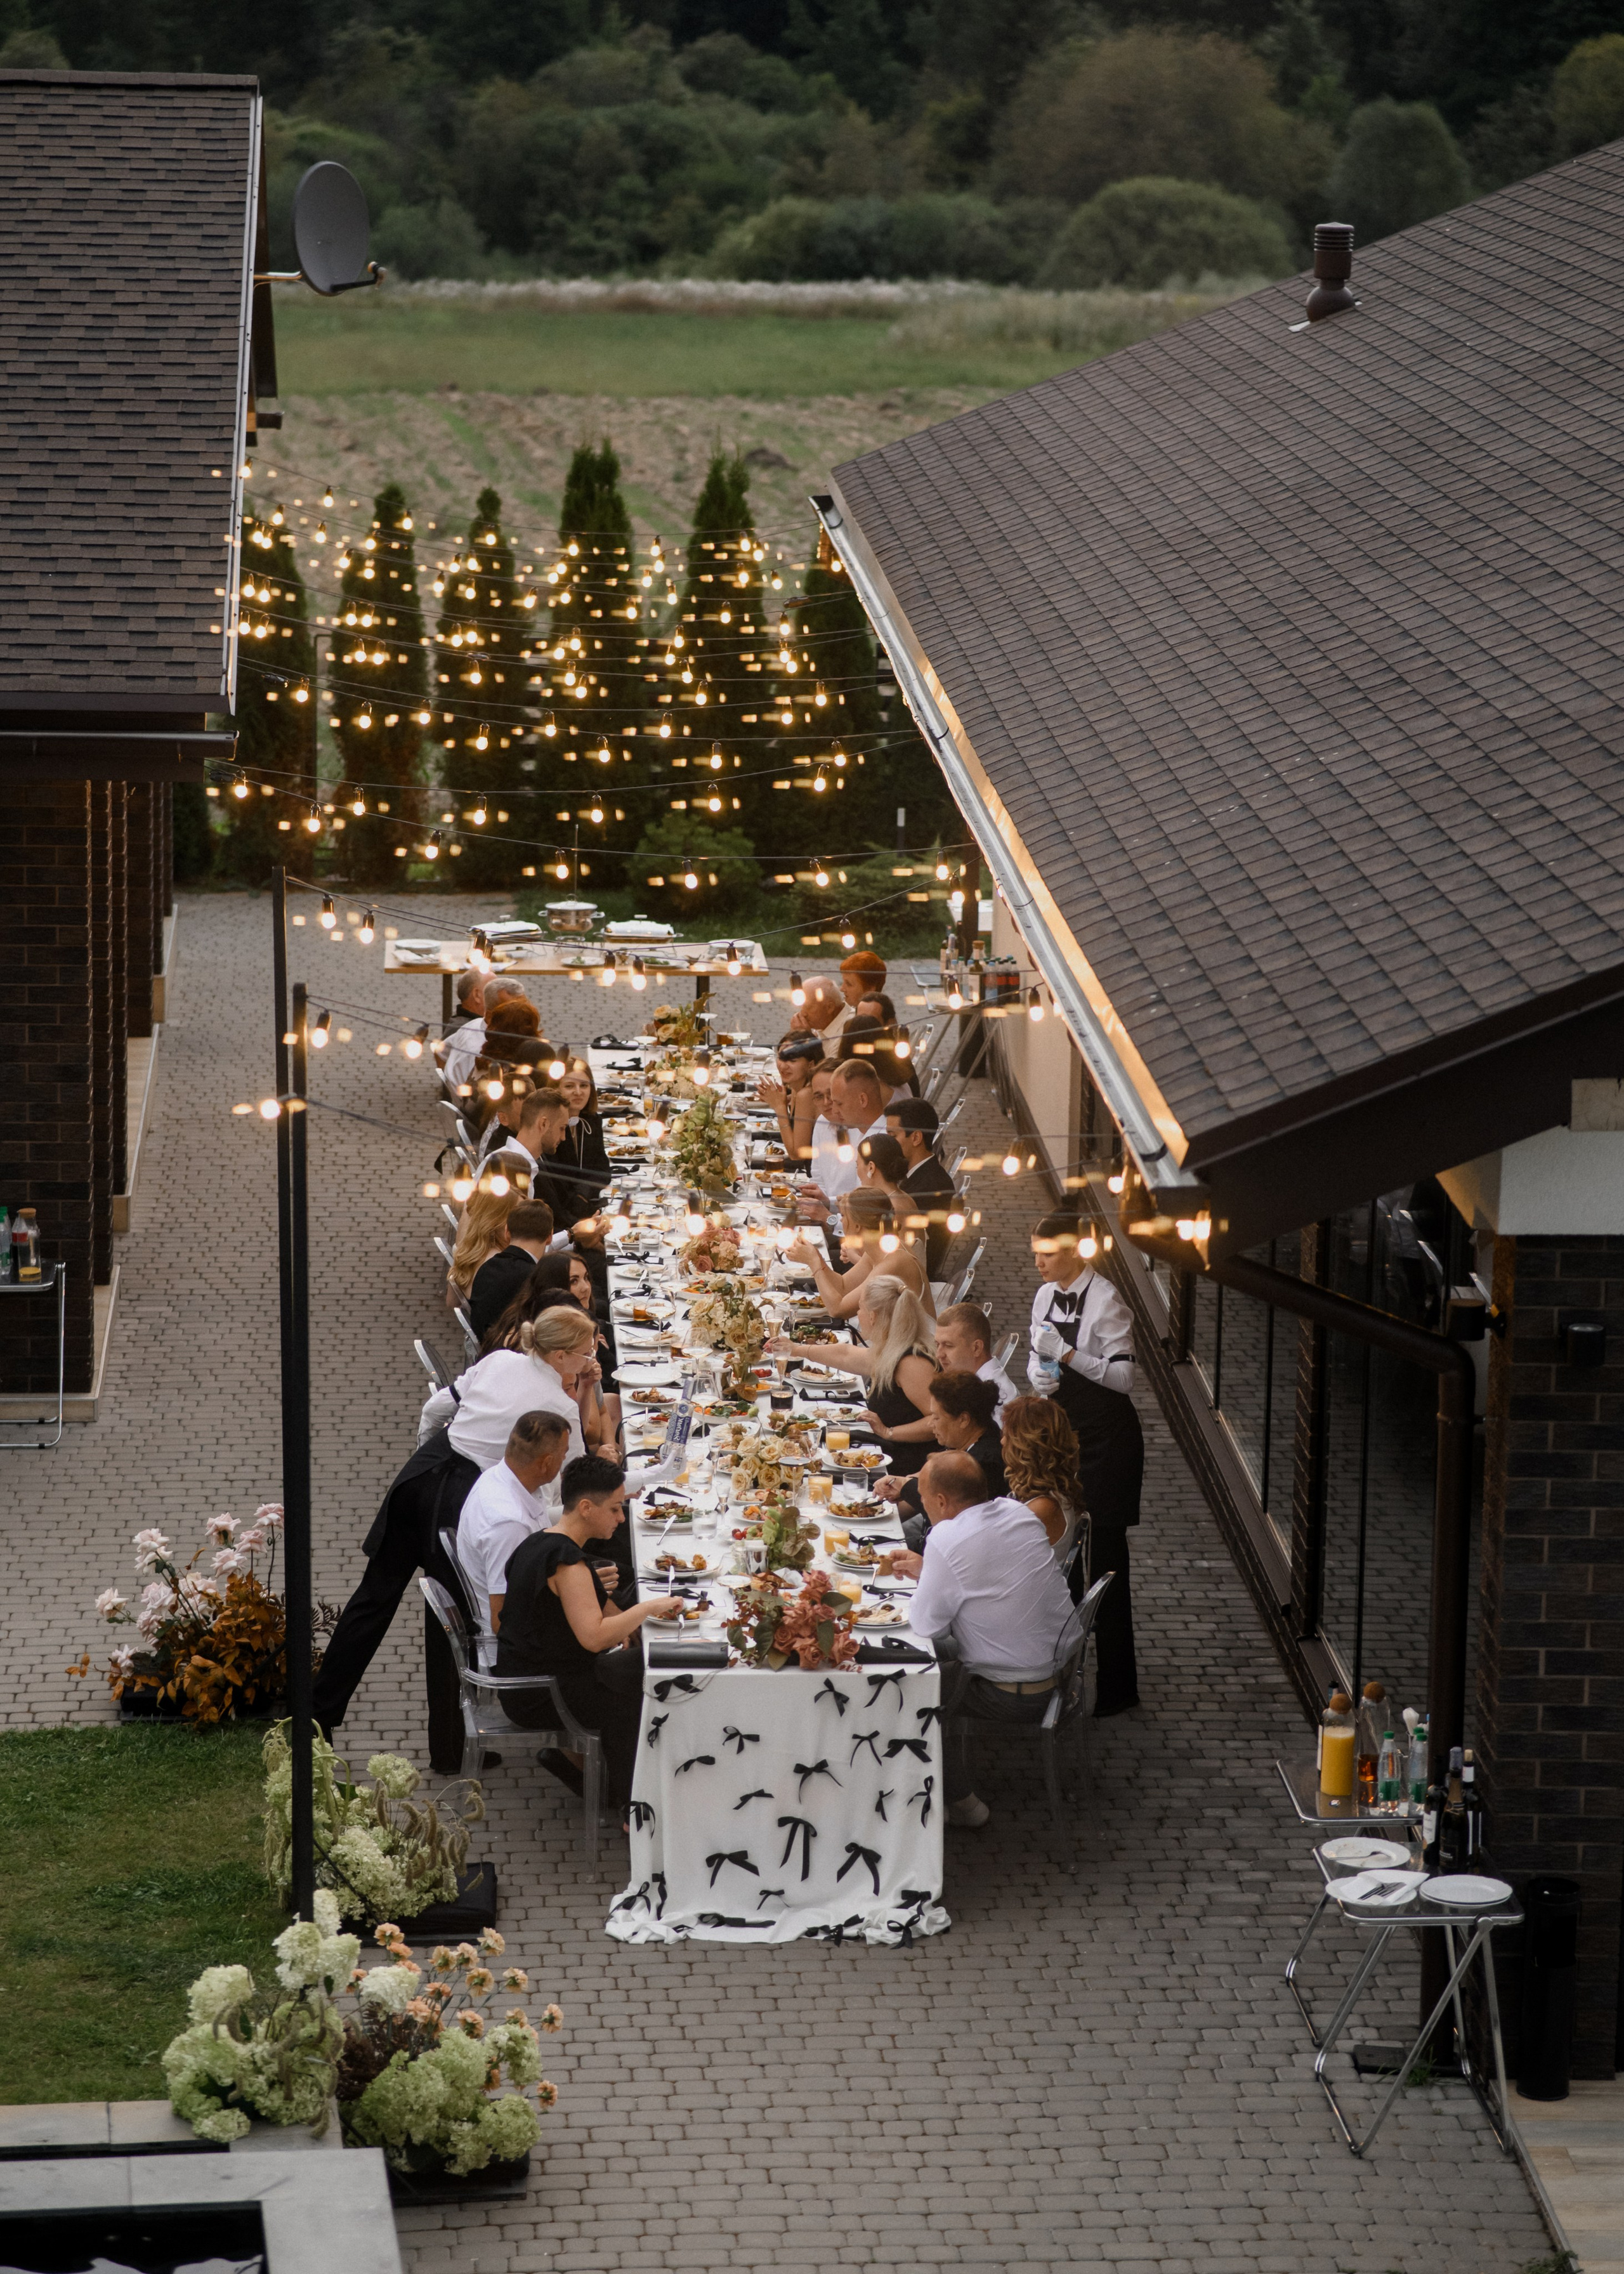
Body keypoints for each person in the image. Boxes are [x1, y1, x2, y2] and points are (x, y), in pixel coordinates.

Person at [889, 1449, 1082, 1829]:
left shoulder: (946, 1536)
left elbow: (926, 1626)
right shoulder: (1016, 1513)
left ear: (942, 1501)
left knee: (909, 1693)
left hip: (1019, 1692)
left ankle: (962, 1804)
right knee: (939, 1660)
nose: (925, 1508)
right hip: (1062, 1669)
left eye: (926, 1501)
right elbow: (989, 1574)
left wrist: (934, 1575)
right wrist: (932, 1572)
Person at [495, 1454, 683, 1808]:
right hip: (541, 1691)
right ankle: (630, 1802)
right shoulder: (568, 1563)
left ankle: (611, 1781)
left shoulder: (539, 1542)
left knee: (634, 1667)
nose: (621, 1518)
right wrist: (646, 1609)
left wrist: (629, 1623)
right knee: (640, 1693)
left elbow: (588, 1614)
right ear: (585, 1507)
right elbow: (594, 1637)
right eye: (614, 1509)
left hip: (529, 1675)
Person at [1028, 1209, 1143, 1715]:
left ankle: (1118, 1688)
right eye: (1035, 1252)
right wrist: (1041, 1371)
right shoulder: (1045, 1294)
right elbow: (1039, 1352)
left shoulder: (1107, 1301)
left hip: (1110, 1443)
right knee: (1067, 1552)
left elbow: (1123, 1380)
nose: (1038, 1262)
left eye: (1047, 1254)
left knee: (1108, 1560)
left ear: (1074, 1250)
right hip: (1069, 1438)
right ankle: (1063, 1674)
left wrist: (1069, 1355)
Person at [776, 1274, 937, 1475]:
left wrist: (889, 1432)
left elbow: (938, 1421)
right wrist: (796, 1349)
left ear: (873, 1316)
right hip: (888, 1451)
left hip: (906, 1464)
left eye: (860, 1308)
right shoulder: (894, 1347)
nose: (858, 1314)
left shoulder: (912, 1362)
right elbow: (847, 1355)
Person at [455, 1409, 573, 1639]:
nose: (564, 1462)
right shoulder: (509, 1525)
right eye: (563, 1455)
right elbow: (504, 1621)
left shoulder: (499, 1476)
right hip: (520, 1648)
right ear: (547, 1463)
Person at [875, 1369, 1008, 1542]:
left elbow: (951, 1515)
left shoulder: (983, 1463)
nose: (931, 1424)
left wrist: (906, 1487)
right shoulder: (977, 1435)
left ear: (963, 1420)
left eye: (937, 1418)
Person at [783, 1188, 933, 1321]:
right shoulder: (879, 1249)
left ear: (857, 1226)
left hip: (914, 1348)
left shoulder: (893, 1262)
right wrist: (817, 1257)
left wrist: (814, 1262)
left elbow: (838, 1310)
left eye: (843, 1216)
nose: (840, 1220)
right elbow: (843, 1286)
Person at [1000, 1394, 1085, 1564]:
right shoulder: (1044, 1492)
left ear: (1026, 1446)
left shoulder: (1043, 1508)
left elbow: (1004, 1560)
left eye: (1007, 1435)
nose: (1002, 1442)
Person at [886, 1097, 958, 1279]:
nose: (887, 1143)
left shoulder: (931, 1187)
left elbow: (893, 1242)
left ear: (916, 1137)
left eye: (893, 1136)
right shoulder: (915, 1174)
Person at [467, 1198, 555, 1342]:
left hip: (488, 1350)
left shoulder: (487, 1267)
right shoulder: (536, 1278)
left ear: (507, 1231)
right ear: (550, 1237)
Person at [444, 976, 525, 1095]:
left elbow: (441, 1051)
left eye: (524, 1008)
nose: (523, 1016)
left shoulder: (473, 1025)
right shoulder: (482, 1052)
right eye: (514, 1011)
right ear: (492, 1015)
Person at [550, 1058, 612, 1212]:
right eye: (570, 1086)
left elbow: (602, 1170)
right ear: (556, 1089)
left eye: (584, 1085)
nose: (578, 1092)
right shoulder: (550, 1126)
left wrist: (584, 1192)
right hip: (560, 1210)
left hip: (586, 1202)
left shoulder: (592, 1121)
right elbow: (556, 1179)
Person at [789, 949, 886, 1042]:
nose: (842, 989)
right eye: (843, 982)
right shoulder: (828, 1020)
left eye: (849, 984)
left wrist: (805, 1038)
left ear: (870, 990)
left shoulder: (854, 1028)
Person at [447, 1186, 517, 1311]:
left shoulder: (471, 1250)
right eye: (519, 1214)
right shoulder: (498, 1263)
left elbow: (451, 1302)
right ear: (499, 1220)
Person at [757, 1033, 823, 1163]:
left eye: (792, 1061)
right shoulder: (795, 1088)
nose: (783, 1066)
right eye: (781, 1058)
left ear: (811, 1064)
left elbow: (796, 1155)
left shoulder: (807, 1094)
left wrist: (780, 1108)